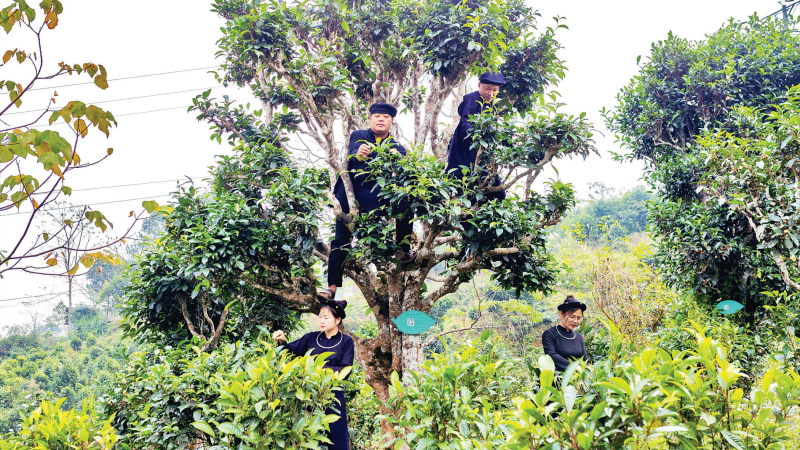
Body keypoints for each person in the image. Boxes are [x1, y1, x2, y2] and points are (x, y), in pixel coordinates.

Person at [319, 102, 415, 301]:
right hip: (351, 195)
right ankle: (332, 287)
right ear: (370, 119)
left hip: (376, 196)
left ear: (392, 122)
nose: (381, 119)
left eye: (385, 117)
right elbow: (353, 156)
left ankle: (402, 250)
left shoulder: (397, 147)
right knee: (341, 240)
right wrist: (360, 156)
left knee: (406, 203)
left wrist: (396, 160)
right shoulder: (359, 135)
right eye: (377, 116)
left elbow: (402, 172)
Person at [272, 298, 354, 450]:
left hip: (333, 396)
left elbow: (345, 371)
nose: (321, 321)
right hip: (310, 395)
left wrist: (315, 369)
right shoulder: (311, 338)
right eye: (320, 317)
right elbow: (289, 352)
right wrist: (282, 341)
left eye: (326, 317)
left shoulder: (346, 342)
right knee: (310, 437)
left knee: (335, 437)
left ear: (337, 320)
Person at [445, 70, 507, 201]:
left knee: (499, 194)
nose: (491, 93)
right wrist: (477, 140)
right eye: (487, 89)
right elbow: (465, 122)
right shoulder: (471, 99)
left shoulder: (494, 105)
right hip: (465, 151)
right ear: (479, 85)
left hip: (483, 155)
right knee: (463, 187)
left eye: (495, 90)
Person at [541, 295, 588, 371]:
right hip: (558, 377)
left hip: (577, 377)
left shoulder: (578, 337)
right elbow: (551, 355)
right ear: (562, 314)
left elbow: (585, 359)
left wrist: (589, 369)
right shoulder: (550, 334)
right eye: (572, 317)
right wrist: (574, 367)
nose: (575, 321)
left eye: (579, 318)